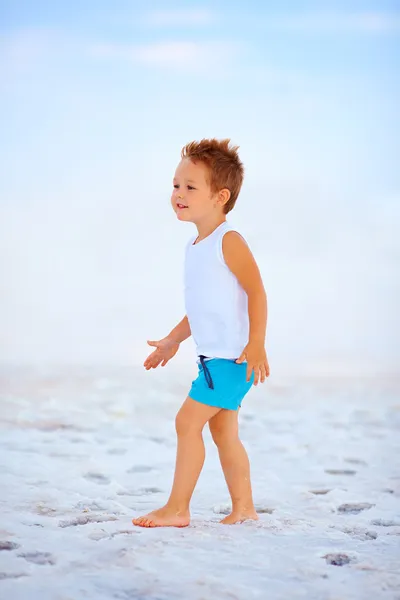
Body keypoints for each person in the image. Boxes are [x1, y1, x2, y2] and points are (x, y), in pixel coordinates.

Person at [132, 138, 269, 528]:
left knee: (186, 423)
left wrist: (256, 343)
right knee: (224, 432)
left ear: (220, 196)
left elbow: (257, 292)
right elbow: (203, 308)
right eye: (176, 185)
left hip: (233, 359)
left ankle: (177, 509)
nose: (178, 193)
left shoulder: (229, 241)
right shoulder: (196, 246)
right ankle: (244, 509)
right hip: (214, 360)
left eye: (191, 187)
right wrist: (174, 339)